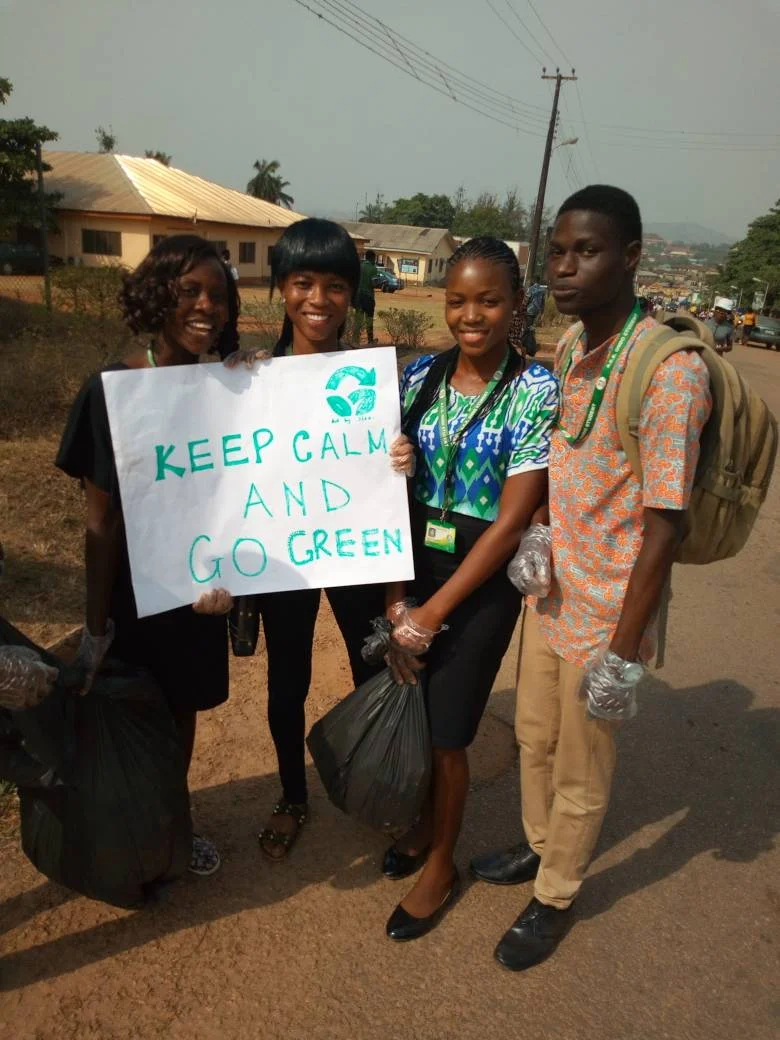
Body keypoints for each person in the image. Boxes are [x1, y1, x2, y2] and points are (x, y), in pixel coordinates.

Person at [471, 186, 712, 971]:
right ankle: (540, 846)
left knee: (582, 764)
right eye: (558, 251)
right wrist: (541, 532)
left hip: (609, 610)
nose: (566, 268)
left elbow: (665, 525)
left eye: (588, 251)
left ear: (631, 257)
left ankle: (557, 893)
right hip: (553, 594)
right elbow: (564, 454)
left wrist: (621, 652)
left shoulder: (670, 374)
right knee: (534, 737)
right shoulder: (574, 343)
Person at [380, 236, 559, 942]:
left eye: (489, 300)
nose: (471, 315)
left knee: (450, 731)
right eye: (457, 300)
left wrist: (431, 612)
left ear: (516, 305)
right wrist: (397, 598)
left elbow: (514, 520)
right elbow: (387, 492)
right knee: (416, 708)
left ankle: (441, 864)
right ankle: (426, 824)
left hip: (481, 578)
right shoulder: (419, 376)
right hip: (414, 560)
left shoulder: (534, 390)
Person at [225, 219, 414, 860]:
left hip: (354, 549)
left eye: (335, 285)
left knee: (371, 668)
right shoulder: (251, 378)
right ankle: (291, 796)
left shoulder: (375, 382)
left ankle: (374, 784)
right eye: (303, 282)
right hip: (286, 558)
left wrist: (403, 455)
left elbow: (395, 469)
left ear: (351, 294)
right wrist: (232, 385)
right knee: (288, 682)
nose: (318, 299)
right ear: (281, 287)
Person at [56, 235, 241, 877]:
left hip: (199, 593)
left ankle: (172, 829)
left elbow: (252, 494)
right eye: (189, 290)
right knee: (134, 713)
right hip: (134, 596)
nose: (205, 306)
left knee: (182, 711)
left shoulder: (230, 391)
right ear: (157, 295)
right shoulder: (115, 390)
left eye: (217, 294)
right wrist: (95, 629)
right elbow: (101, 522)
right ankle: (130, 838)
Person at [354, 248, 379, 344]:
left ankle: (355, 339)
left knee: (358, 319)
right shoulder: (373, 268)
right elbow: (374, 283)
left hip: (358, 296)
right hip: (368, 297)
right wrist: (379, 283)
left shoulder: (360, 266)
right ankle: (370, 340)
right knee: (369, 319)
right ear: (372, 258)